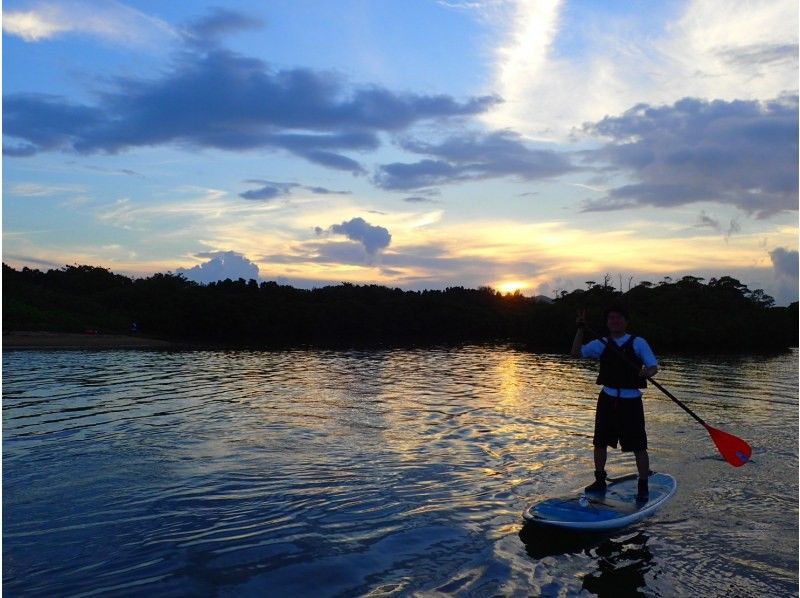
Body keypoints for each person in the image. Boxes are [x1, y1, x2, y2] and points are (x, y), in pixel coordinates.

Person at [570, 305, 658, 502]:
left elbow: (653, 366)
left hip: (631, 401)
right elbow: (576, 353)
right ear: (607, 323)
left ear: (626, 322)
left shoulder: (638, 342)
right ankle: (599, 479)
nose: (615, 321)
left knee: (638, 445)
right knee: (600, 442)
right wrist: (580, 329)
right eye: (611, 318)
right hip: (607, 399)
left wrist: (648, 372)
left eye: (619, 318)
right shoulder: (602, 343)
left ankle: (643, 484)